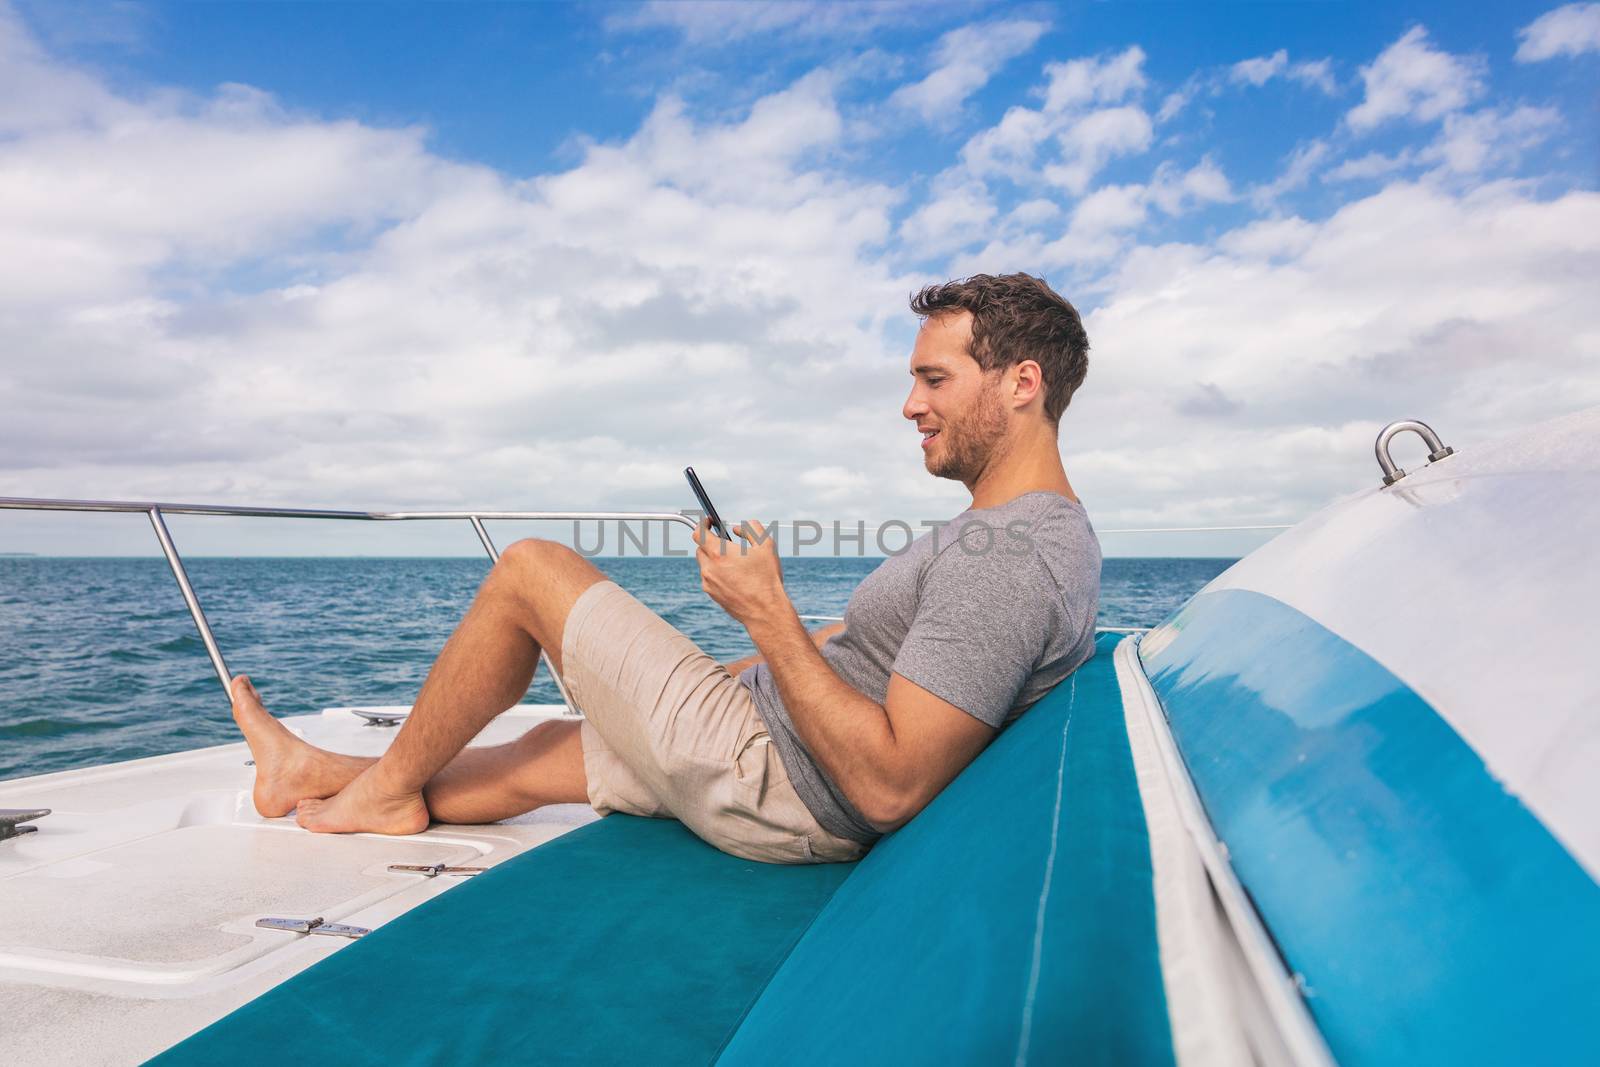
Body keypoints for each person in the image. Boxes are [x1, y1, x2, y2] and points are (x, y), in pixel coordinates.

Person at [230, 272, 1101, 864]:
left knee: (532, 570)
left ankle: (376, 796)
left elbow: (890, 785)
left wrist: (765, 615)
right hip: (774, 742)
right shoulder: (1018, 534)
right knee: (539, 754)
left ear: (1022, 383)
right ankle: (318, 775)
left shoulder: (1009, 557)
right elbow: (875, 650)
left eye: (934, 379)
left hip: (778, 779)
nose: (910, 404)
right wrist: (739, 665)